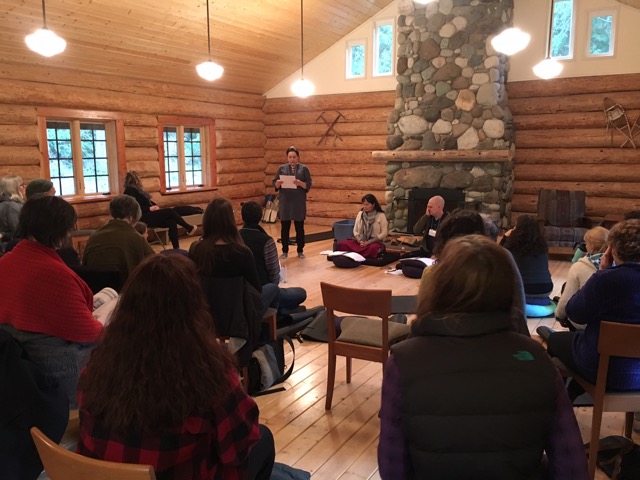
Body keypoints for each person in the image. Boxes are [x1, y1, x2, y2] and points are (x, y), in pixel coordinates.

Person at [379, 235, 588, 479]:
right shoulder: (537, 359)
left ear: (440, 285)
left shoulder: (402, 361)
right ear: (509, 288)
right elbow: (572, 467)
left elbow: (393, 466)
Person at [77, 254, 275, 480]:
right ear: (194, 309)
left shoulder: (96, 368)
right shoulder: (211, 376)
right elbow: (240, 443)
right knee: (264, 440)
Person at [0, 196, 103, 408]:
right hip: (57, 372)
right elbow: (89, 332)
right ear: (60, 231)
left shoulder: (7, 262)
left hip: (18, 361)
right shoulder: (53, 274)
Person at [542, 220, 640, 398]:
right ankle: (573, 392)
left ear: (613, 249)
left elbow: (575, 313)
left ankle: (560, 404)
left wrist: (602, 272)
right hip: (638, 375)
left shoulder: (605, 279)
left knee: (556, 340)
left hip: (601, 370)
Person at [417, 209, 529, 337]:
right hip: (500, 340)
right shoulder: (503, 257)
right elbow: (518, 305)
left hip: (444, 343)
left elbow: (423, 318)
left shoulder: (433, 273)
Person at [239, 201, 307, 314]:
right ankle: (280, 312)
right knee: (301, 293)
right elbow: (275, 276)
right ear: (260, 217)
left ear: (242, 217)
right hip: (263, 290)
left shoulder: (235, 238)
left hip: (242, 291)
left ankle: (282, 310)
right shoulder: (266, 240)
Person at [82, 194, 155, 280]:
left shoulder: (94, 236)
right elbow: (155, 267)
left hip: (96, 289)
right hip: (125, 290)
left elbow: (85, 265)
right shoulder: (137, 238)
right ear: (132, 217)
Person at [123, 171, 198, 249]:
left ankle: (176, 248)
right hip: (143, 217)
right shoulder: (130, 192)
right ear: (136, 180)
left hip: (149, 214)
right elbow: (134, 208)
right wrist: (149, 208)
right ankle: (188, 227)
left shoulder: (138, 191)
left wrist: (154, 206)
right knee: (170, 211)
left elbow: (148, 202)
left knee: (171, 221)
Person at [554, 226, 609, 330]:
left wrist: (559, 315)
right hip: (611, 323)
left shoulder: (579, 267)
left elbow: (567, 299)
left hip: (585, 323)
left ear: (592, 247)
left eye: (586, 243)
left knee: (566, 287)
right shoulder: (619, 265)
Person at [272, 146, 312, 259]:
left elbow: (308, 184)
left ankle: (300, 250)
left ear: (298, 157)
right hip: (285, 202)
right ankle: (285, 250)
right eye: (290, 157)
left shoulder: (304, 169)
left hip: (298, 202)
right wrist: (278, 184)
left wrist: (300, 183)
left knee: (299, 227)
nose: (292, 159)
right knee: (285, 227)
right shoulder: (282, 168)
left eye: (294, 157)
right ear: (287, 158)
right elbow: (274, 183)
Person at [502, 214, 553, 296]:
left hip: (523, 288)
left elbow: (499, 255)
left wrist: (505, 237)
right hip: (546, 287)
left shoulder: (513, 244)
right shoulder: (542, 245)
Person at [336, 194, 388, 259]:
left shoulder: (381, 215)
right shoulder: (360, 214)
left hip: (373, 242)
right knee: (342, 244)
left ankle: (356, 255)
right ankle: (360, 254)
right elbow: (355, 230)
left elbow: (384, 233)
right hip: (361, 242)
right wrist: (360, 240)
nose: (365, 207)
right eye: (363, 204)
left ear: (373, 204)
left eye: (367, 204)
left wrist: (368, 242)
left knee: (373, 248)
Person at [0, 175, 25, 249]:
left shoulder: (4, 204)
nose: (24, 187)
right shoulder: (13, 207)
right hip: (10, 247)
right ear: (15, 188)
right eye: (22, 185)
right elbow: (18, 232)